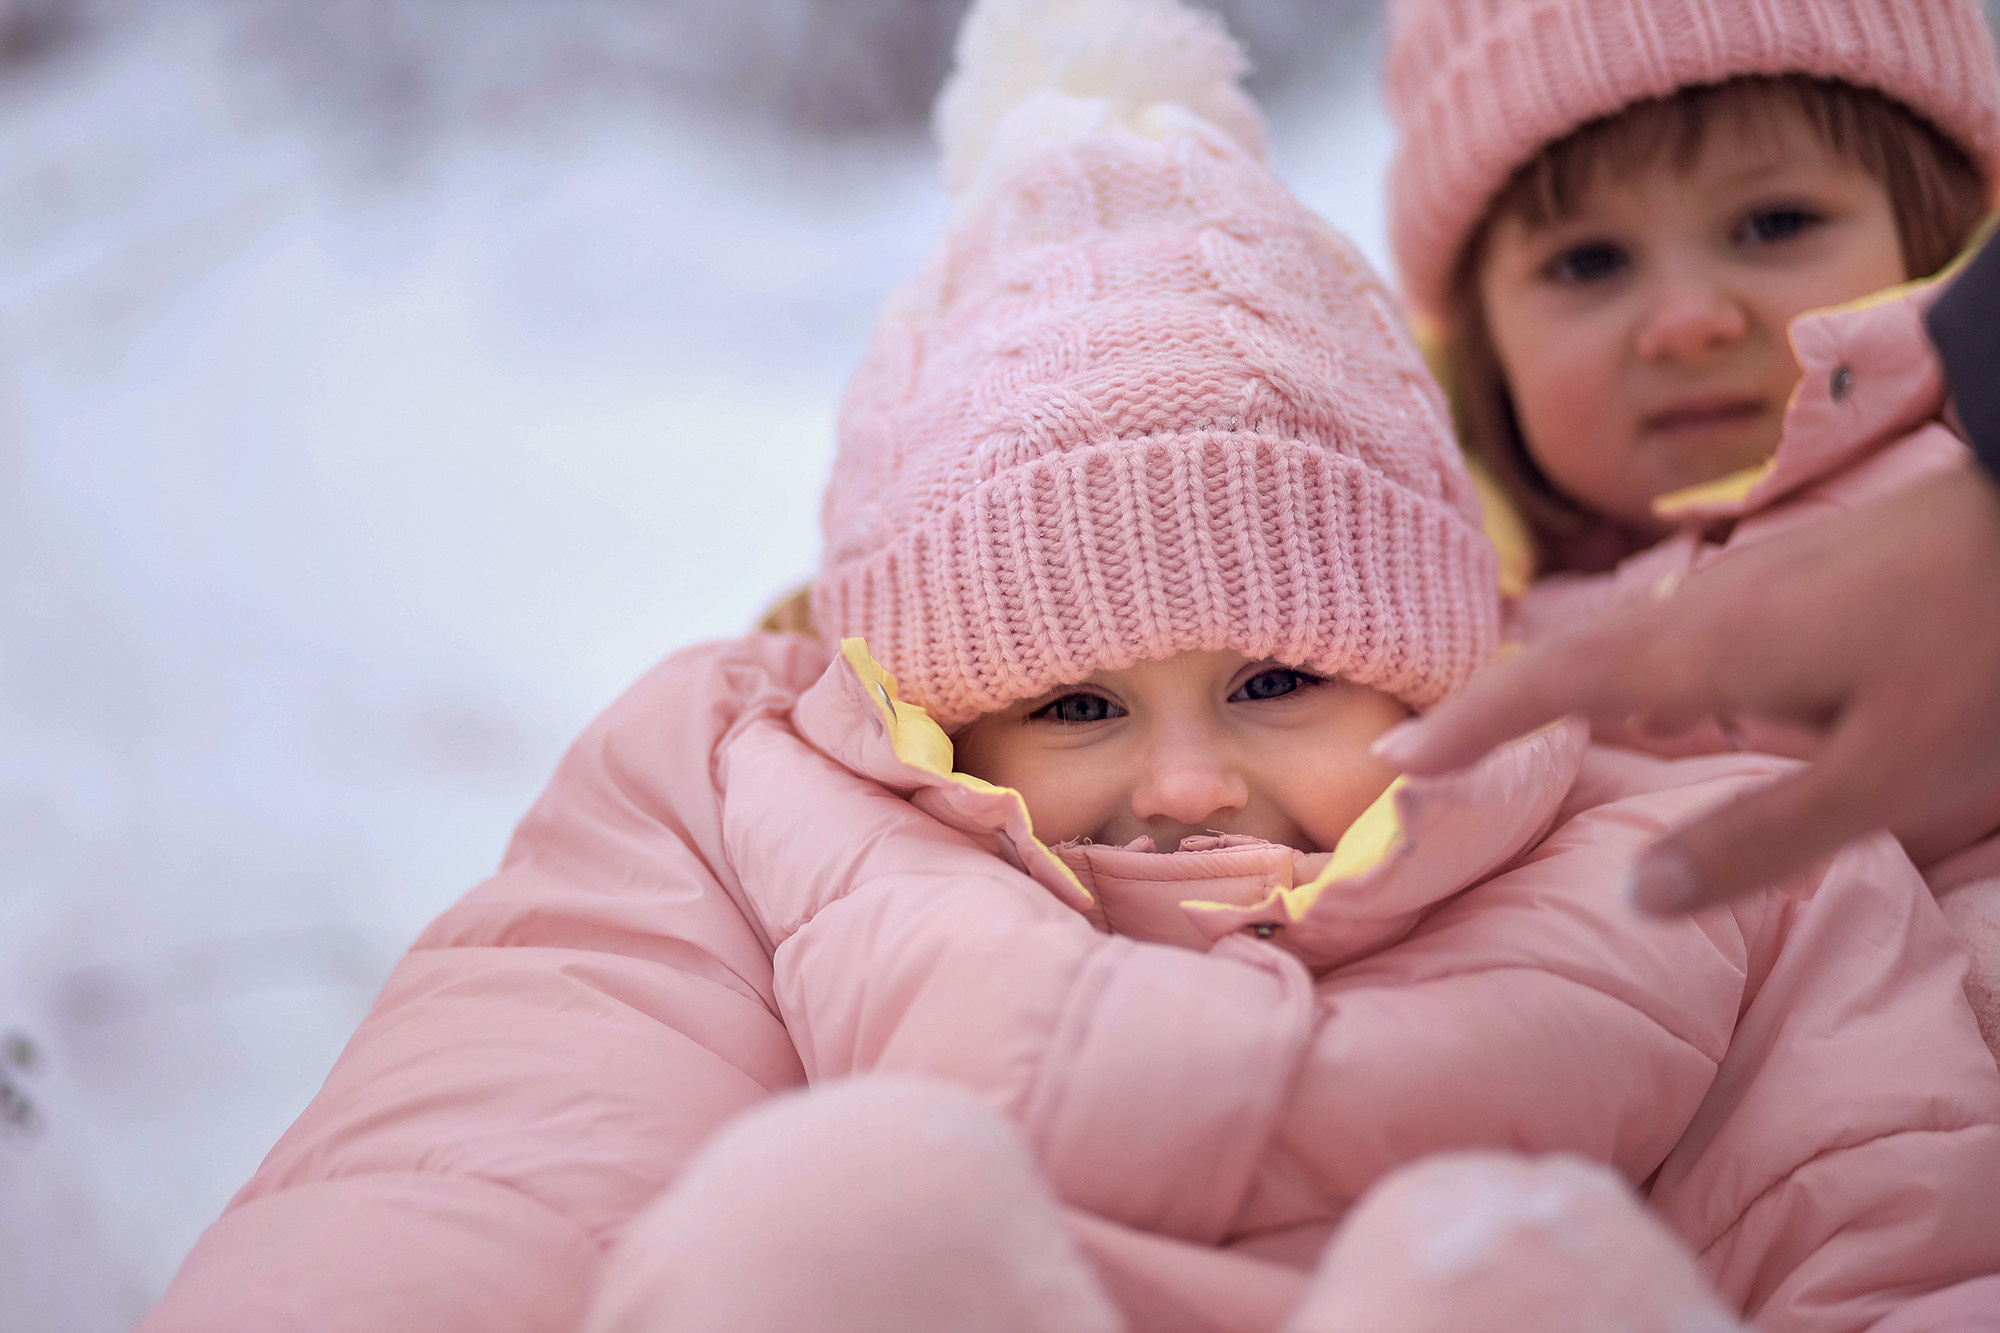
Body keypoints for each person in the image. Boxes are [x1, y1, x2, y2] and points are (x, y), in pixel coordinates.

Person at [137, 2, 2000, 1330]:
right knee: (843, 1216)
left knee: (1509, 1271)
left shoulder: (1713, 855)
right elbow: (487, 1168)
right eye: (1074, 703)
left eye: (1280, 679)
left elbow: (1888, 1226)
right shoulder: (773, 811)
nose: (1184, 783)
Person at [1373, 0, 2000, 1046]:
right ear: (1484, 344)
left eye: (1774, 224)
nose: (1687, 321)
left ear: (1934, 229)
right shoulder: (1439, 615)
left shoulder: (1968, 500)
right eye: (1588, 262)